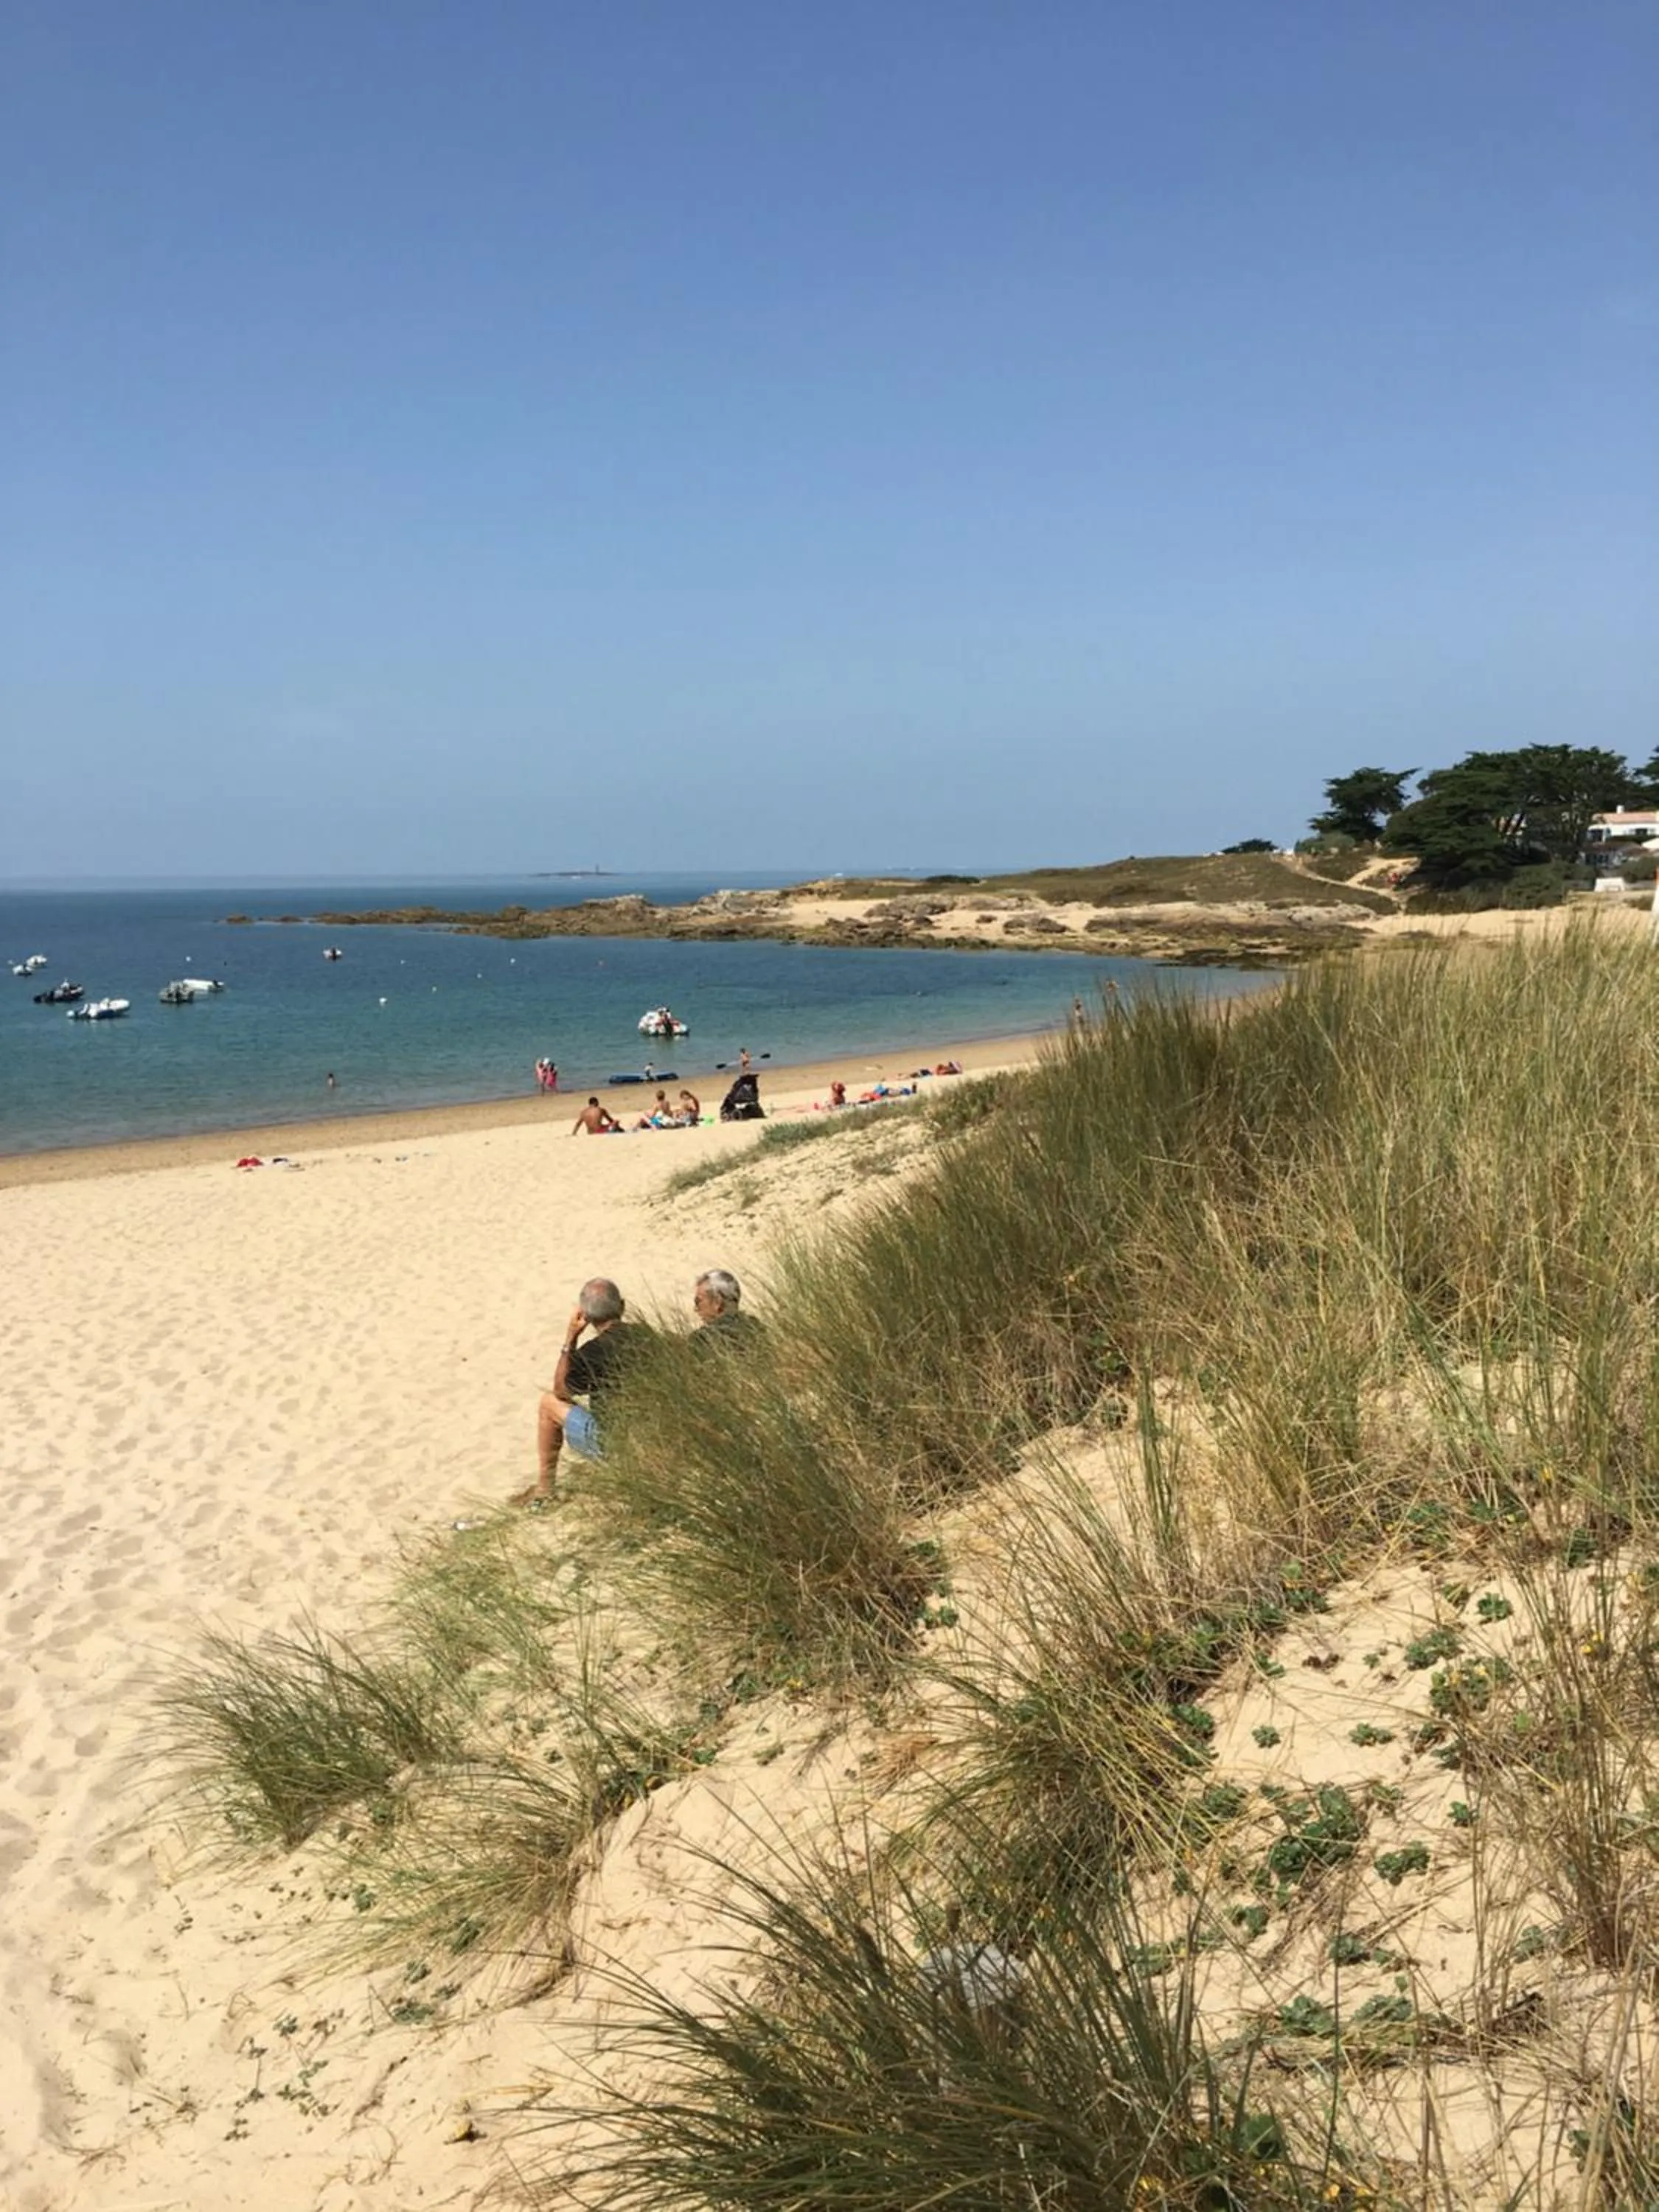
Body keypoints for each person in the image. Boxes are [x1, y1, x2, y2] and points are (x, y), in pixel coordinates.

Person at [517, 1276, 641, 1503]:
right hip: (649, 1438)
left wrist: (570, 1339)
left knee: (548, 1404)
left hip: (615, 1445)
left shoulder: (593, 1352)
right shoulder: (646, 1334)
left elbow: (561, 1390)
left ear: (585, 1315)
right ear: (622, 1306)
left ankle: (545, 1489)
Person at [691, 1268, 761, 1349]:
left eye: (698, 1301)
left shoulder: (703, 1339)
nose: (696, 1309)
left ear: (717, 1302)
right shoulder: (758, 1330)